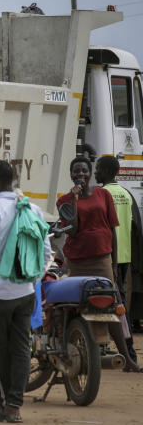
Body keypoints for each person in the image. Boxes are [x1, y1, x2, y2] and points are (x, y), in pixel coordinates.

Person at [0, 161, 52, 423]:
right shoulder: (32, 207)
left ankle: (7, 407)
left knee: (0, 350)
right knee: (21, 349)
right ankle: (14, 405)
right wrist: (33, 280)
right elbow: (46, 251)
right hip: (26, 292)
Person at [57, 156, 140, 372]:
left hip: (102, 259)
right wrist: (74, 201)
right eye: (76, 171)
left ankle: (127, 359)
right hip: (76, 261)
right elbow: (73, 231)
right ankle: (79, 357)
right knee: (76, 307)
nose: (81, 175)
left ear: (90, 172)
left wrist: (113, 262)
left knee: (111, 307)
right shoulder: (64, 201)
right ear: (71, 174)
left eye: (84, 170)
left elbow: (112, 228)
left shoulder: (103, 194)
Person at [95, 155, 137, 362]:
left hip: (107, 256)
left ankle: (122, 350)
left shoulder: (101, 194)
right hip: (124, 256)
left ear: (104, 171)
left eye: (97, 169)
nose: (95, 173)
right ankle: (128, 349)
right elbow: (133, 226)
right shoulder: (127, 194)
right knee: (120, 302)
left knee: (107, 300)